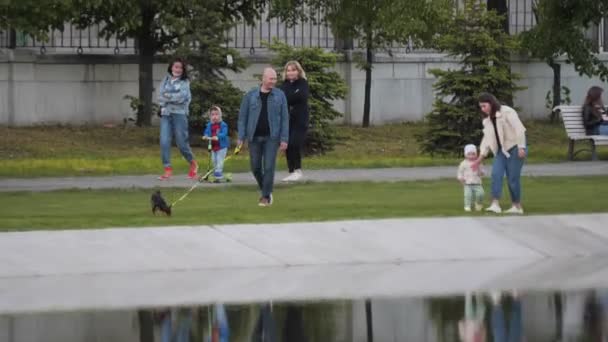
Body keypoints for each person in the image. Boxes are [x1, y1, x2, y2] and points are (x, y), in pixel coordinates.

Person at [237, 67, 289, 207]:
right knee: (255, 168)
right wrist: (241, 137)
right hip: (254, 137)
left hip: (272, 137)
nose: (274, 81)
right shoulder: (250, 96)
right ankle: (267, 189)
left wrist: (284, 139)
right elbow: (242, 118)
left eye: (275, 79)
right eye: (271, 79)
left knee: (269, 167)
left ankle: (265, 197)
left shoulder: (280, 95)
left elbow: (285, 118)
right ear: (263, 78)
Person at [474, 93, 527, 215]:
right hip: (500, 150)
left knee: (512, 178)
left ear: (491, 103)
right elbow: (487, 140)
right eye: (481, 107)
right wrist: (479, 159)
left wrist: (521, 147)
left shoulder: (507, 111)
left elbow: (519, 129)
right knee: (496, 174)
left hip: (515, 147)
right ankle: (495, 204)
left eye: (484, 106)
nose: (483, 109)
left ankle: (517, 206)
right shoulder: (487, 121)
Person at [158, 58, 198, 180]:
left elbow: (181, 98)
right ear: (171, 67)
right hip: (166, 114)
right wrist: (170, 97)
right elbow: (160, 96)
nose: (177, 69)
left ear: (183, 70)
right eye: (175, 67)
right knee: (164, 141)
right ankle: (167, 169)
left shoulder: (184, 82)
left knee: (181, 143)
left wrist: (167, 96)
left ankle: (192, 163)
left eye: (180, 67)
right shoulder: (165, 80)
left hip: (180, 114)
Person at [280, 61, 310, 182]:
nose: (291, 72)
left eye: (293, 70)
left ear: (298, 71)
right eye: (288, 70)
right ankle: (291, 171)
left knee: (294, 143)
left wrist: (290, 97)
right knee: (287, 145)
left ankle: (298, 170)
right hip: (288, 120)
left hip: (300, 119)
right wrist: (291, 96)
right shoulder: (284, 85)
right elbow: (282, 98)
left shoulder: (303, 83)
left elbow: (301, 96)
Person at [203, 106, 230, 182]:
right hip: (213, 146)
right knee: (214, 159)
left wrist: (218, 136)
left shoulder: (223, 125)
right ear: (210, 116)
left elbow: (224, 133)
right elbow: (207, 132)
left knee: (219, 159)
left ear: (220, 115)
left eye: (216, 114)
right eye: (212, 115)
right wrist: (206, 136)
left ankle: (218, 172)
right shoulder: (209, 125)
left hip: (222, 146)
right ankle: (216, 171)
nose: (214, 116)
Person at [458, 144, 485, 212]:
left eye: (473, 154)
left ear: (476, 154)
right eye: (469, 154)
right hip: (467, 183)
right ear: (465, 154)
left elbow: (482, 173)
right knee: (467, 195)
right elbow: (460, 172)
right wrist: (461, 178)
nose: (471, 156)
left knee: (481, 194)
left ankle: (478, 203)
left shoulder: (478, 163)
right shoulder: (463, 163)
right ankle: (467, 206)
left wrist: (479, 169)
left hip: (477, 183)